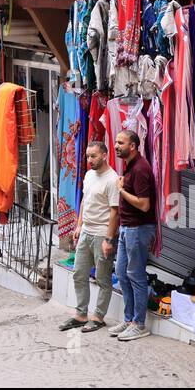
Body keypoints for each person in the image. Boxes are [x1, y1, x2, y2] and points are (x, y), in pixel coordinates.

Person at [59, 141, 119, 334]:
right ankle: (81, 314)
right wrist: (78, 225)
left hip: (102, 232)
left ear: (104, 155)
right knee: (79, 273)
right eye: (87, 156)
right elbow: (85, 200)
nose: (90, 160)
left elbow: (114, 212)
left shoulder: (112, 179)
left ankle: (98, 317)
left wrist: (109, 239)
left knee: (102, 278)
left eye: (93, 156)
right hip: (86, 231)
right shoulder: (89, 175)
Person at [113, 129, 157, 342]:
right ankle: (129, 318)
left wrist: (121, 191)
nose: (116, 145)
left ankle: (139, 324)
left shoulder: (140, 169)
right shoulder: (130, 165)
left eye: (120, 142)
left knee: (136, 275)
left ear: (133, 146)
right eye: (116, 142)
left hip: (138, 229)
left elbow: (144, 204)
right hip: (126, 227)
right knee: (122, 273)